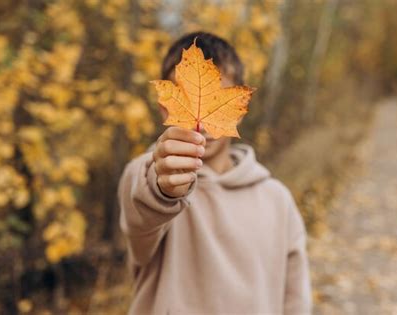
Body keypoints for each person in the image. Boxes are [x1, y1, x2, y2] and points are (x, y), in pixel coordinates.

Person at [118, 31, 312, 315]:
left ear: (239, 108)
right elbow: (143, 208)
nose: (204, 122)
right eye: (181, 94)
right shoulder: (149, 176)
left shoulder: (277, 200)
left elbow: (295, 299)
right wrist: (164, 190)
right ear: (164, 108)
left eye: (219, 98)